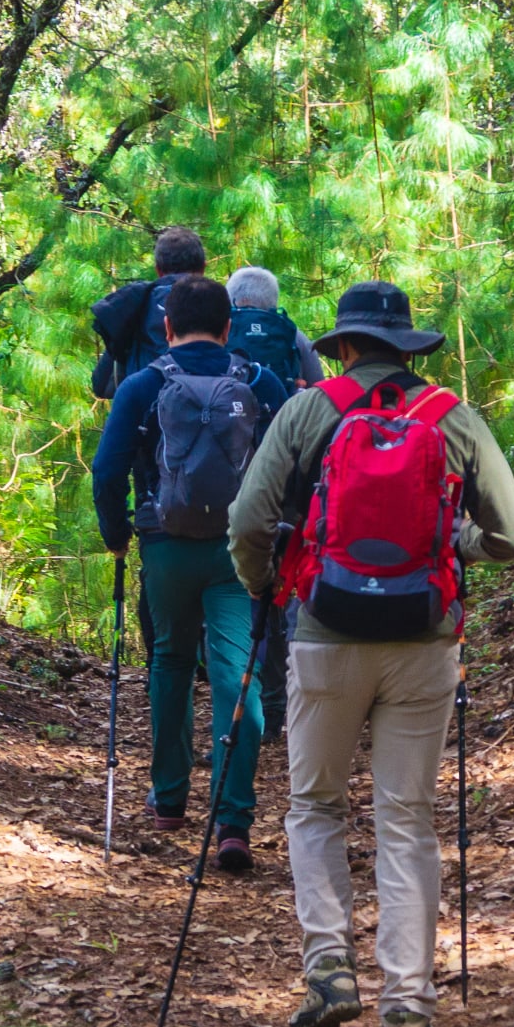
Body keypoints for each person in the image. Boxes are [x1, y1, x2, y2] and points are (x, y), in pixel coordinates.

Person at [228, 281, 514, 1027]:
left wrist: (265, 580)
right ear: (409, 348)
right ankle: (408, 1012)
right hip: (423, 641)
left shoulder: (307, 411)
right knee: (407, 822)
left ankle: (328, 968)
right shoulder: (451, 418)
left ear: (346, 347)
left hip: (324, 633)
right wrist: (452, 543)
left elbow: (246, 520)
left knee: (314, 807)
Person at [92, 273, 293, 872]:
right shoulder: (262, 381)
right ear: (230, 328)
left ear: (167, 327)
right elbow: (293, 463)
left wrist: (117, 534)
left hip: (165, 545)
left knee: (172, 660)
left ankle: (171, 800)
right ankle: (233, 819)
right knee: (239, 671)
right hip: (240, 549)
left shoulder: (142, 385)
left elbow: (108, 469)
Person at [222, 266, 320, 741]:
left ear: (231, 299)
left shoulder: (220, 334)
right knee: (280, 587)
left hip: (228, 479)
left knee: (235, 592)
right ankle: (277, 706)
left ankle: (241, 696)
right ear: (273, 299)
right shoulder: (293, 336)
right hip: (284, 482)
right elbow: (318, 396)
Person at [89, 227, 208, 400]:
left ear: (158, 270)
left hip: (147, 417)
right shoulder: (219, 302)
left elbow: (102, 385)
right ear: (203, 268)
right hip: (210, 417)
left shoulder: (136, 304)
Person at [224, 266, 326, 387]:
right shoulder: (293, 334)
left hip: (229, 403)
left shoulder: (220, 330)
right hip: (284, 405)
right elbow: (318, 386)